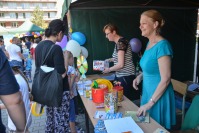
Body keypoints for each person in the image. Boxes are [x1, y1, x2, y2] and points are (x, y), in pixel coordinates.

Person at [133, 9, 176, 129]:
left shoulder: (163, 46)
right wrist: (140, 76)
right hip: (148, 93)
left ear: (155, 24)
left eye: (144, 23)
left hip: (158, 97)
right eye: (140, 23)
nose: (140, 26)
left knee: (156, 129)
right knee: (147, 128)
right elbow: (151, 67)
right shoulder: (149, 43)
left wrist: (150, 103)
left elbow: (166, 79)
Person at [34, 19, 70, 133]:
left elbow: (40, 67)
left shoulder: (39, 46)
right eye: (63, 34)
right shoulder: (56, 48)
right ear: (59, 33)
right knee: (61, 121)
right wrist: (66, 58)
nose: (63, 37)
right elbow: (62, 74)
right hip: (59, 91)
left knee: (50, 120)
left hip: (47, 91)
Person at [103, 23, 140, 101]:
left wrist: (108, 70)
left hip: (125, 76)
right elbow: (120, 58)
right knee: (120, 100)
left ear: (114, 32)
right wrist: (110, 60)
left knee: (124, 101)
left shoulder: (121, 43)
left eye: (107, 34)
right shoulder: (119, 42)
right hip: (122, 76)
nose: (106, 36)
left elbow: (120, 64)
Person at [0, 61, 32, 132]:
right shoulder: (20, 77)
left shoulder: (14, 82)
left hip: (17, 120)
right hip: (26, 115)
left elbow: (13, 102)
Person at [67, 51, 82, 133]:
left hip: (66, 96)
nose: (73, 60)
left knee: (69, 114)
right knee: (72, 115)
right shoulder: (71, 69)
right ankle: (73, 130)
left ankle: (72, 128)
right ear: (68, 59)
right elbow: (76, 80)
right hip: (72, 95)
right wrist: (78, 74)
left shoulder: (64, 69)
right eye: (72, 58)